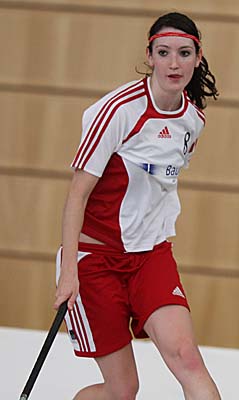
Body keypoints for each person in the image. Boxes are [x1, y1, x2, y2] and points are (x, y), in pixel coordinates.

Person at [53, 12, 221, 399]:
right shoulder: (118, 110)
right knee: (123, 390)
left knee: (188, 359)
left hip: (150, 256)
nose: (174, 63)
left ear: (198, 58)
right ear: (149, 56)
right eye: (163, 53)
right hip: (95, 260)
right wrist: (69, 273)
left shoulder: (193, 120)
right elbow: (77, 193)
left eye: (184, 53)